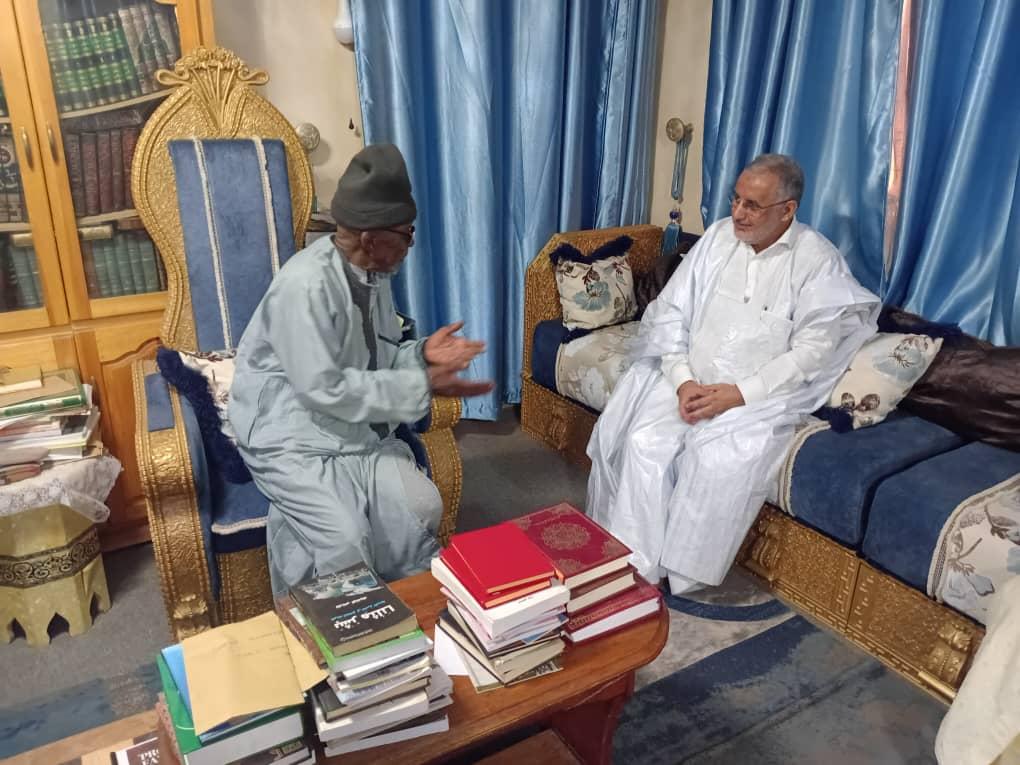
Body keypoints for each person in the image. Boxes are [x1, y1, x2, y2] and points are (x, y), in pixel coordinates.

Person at [586, 154, 880, 594]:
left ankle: (682, 573)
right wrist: (682, 379)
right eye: (736, 200)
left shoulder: (818, 261)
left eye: (753, 205)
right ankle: (635, 568)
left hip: (758, 396)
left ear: (788, 209)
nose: (738, 213)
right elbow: (671, 312)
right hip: (690, 377)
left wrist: (738, 394)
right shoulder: (719, 238)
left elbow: (812, 353)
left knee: (715, 457)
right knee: (644, 441)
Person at [229, 143, 492, 595]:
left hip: (353, 431)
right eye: (407, 235)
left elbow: (376, 362)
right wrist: (422, 383)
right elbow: (324, 389)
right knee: (344, 538)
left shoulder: (372, 275)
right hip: (288, 435)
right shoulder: (305, 287)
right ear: (372, 239)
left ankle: (406, 606)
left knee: (418, 506)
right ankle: (335, 623)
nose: (411, 244)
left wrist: (422, 355)